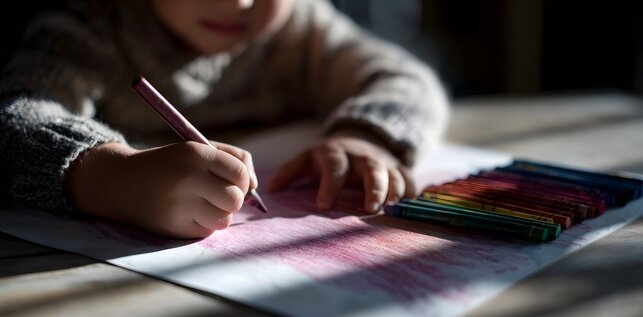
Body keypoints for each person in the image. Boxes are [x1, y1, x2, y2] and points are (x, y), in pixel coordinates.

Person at [0, 0, 448, 238]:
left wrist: (365, 136)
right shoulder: (93, 24)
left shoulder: (303, 26)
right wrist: (113, 177)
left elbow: (405, 80)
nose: (238, 2)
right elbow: (16, 119)